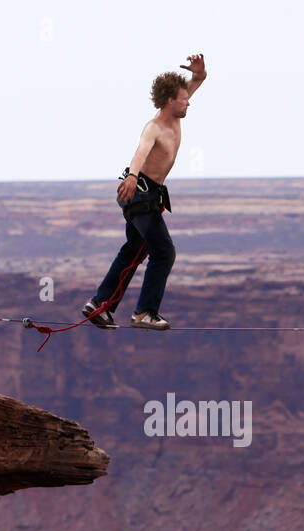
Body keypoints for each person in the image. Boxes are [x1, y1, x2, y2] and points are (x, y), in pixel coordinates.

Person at [82, 53, 206, 331]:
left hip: (149, 195)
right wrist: (133, 175)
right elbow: (140, 153)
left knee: (133, 251)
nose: (189, 102)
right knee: (164, 252)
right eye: (184, 99)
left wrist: (199, 73)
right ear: (169, 101)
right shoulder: (154, 128)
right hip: (140, 194)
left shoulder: (178, 113)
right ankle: (144, 313)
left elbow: (197, 81)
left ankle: (99, 306)